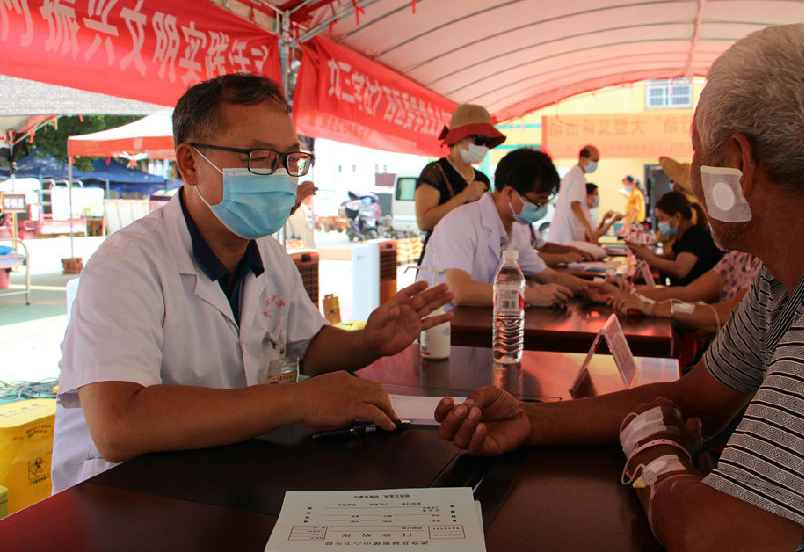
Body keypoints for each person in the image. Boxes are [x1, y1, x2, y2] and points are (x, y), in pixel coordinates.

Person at [435, 23, 804, 552]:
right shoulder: (799, 269)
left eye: (697, 153)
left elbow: (722, 549)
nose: (695, 181)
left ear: (739, 165)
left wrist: (654, 453)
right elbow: (700, 396)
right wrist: (532, 422)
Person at [51, 73, 453, 492]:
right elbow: (120, 424)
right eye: (259, 158)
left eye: (289, 161)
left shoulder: (265, 252)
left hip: (225, 479)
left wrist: (369, 340)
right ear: (190, 164)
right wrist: (299, 400)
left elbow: (309, 348)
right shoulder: (126, 265)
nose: (281, 178)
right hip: (123, 499)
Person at [421, 148, 594, 307]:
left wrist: (595, 287)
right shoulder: (460, 223)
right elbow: (459, 291)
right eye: (538, 200)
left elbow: (550, 276)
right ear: (509, 193)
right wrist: (527, 295)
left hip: (478, 323)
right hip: (442, 330)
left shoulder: (514, 229)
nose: (543, 207)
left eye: (547, 200)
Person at [414, 103, 505, 264]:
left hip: (473, 255)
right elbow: (424, 222)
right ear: (459, 137)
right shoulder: (435, 172)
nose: (483, 147)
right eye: (479, 140)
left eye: (487, 142)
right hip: (440, 256)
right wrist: (463, 197)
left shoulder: (481, 179)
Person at [597, 250, 762, 332]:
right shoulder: (739, 255)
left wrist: (658, 308)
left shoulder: (770, 263)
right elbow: (689, 293)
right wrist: (622, 295)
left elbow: (731, 313)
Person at [628, 191, 722, 286]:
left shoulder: (695, 236)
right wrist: (645, 252)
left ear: (677, 217)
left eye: (661, 218)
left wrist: (648, 258)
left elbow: (679, 270)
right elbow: (667, 257)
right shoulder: (683, 236)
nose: (660, 223)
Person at [547, 145, 600, 244]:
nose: (596, 164)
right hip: (565, 233)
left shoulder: (575, 175)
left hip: (565, 231)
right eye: (594, 160)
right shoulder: (576, 177)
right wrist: (588, 228)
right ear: (583, 159)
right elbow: (574, 205)